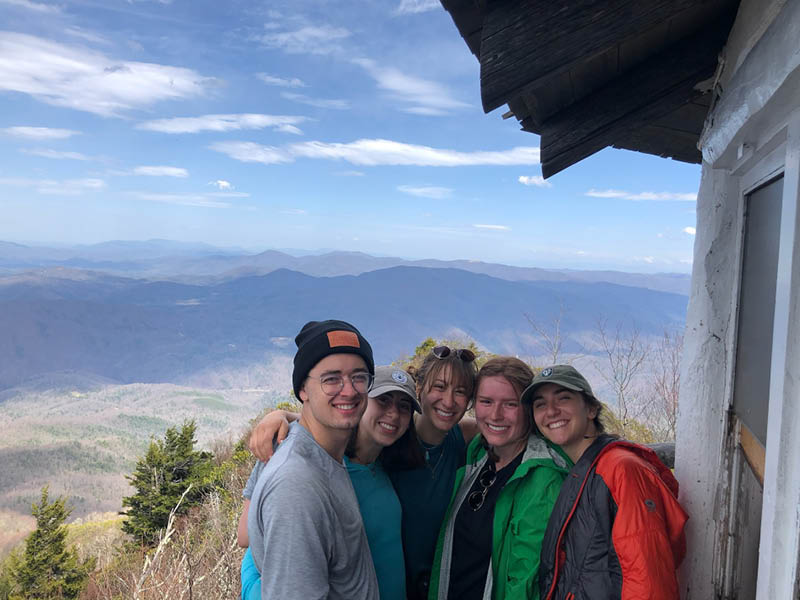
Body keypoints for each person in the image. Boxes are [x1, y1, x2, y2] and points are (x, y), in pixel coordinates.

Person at [250, 344, 480, 600]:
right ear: (421, 388)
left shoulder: (395, 449)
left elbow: (502, 424)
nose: (449, 400)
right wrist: (282, 417)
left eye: (461, 392)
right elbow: (259, 538)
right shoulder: (323, 465)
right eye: (439, 386)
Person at [240, 365, 425, 600]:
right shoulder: (317, 468)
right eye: (383, 400)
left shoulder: (388, 463)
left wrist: (286, 414)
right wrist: (250, 587)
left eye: (404, 407)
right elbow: (253, 539)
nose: (394, 413)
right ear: (362, 401)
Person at [522, 365, 689, 600]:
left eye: (564, 398)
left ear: (591, 409)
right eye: (540, 404)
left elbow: (648, 582)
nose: (550, 411)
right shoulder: (585, 469)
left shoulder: (621, 469)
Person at [246, 319, 379, 600]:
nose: (349, 390)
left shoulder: (325, 453)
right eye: (331, 379)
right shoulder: (296, 485)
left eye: (359, 376)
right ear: (303, 390)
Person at [428, 357, 570, 600]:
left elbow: (526, 582)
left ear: (528, 409)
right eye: (486, 401)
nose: (495, 415)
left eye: (510, 404)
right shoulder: (478, 453)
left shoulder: (543, 479)